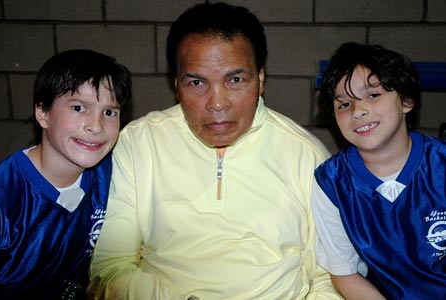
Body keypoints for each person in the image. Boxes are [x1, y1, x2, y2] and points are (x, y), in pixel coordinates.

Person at [88, 2, 342, 300]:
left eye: (235, 80)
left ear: (260, 79)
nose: (217, 103)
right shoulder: (139, 144)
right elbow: (111, 268)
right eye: (197, 82)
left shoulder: (306, 156)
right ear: (177, 85)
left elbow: (329, 278)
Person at [312, 42, 446, 300]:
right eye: (344, 104)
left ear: (406, 101)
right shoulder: (330, 183)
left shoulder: (440, 166)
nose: (358, 111)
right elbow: (345, 274)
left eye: (373, 95)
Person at [0, 49, 132, 299]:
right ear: (43, 113)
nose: (96, 125)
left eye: (109, 112)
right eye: (79, 108)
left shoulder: (116, 171)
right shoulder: (4, 198)